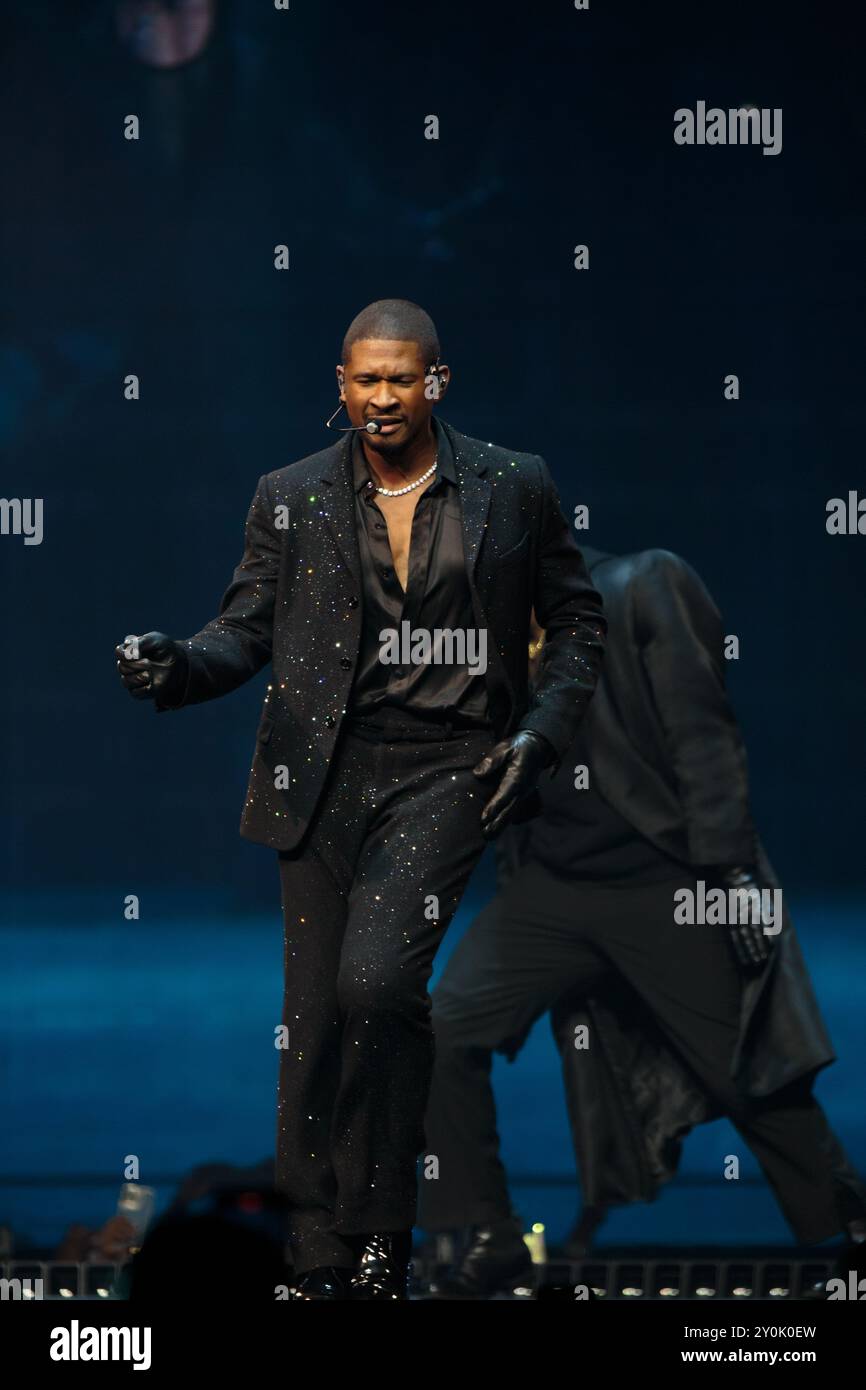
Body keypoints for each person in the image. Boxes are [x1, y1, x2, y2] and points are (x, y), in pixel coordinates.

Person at [115, 299, 606, 1299]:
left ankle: (381, 1228)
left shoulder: (512, 486)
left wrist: (541, 731)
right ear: (338, 385)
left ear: (436, 381)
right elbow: (242, 631)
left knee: (377, 985)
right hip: (319, 777)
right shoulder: (289, 495)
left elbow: (577, 624)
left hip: (447, 769)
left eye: (400, 378)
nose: (381, 396)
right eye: (363, 379)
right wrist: (175, 667)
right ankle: (313, 1248)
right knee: (313, 1024)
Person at [418, 545, 866, 1297]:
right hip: (552, 890)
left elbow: (704, 735)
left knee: (745, 1071)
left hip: (663, 877)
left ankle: (855, 1227)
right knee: (441, 1028)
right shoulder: (478, 626)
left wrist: (731, 876)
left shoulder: (638, 585)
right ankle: (490, 1230)